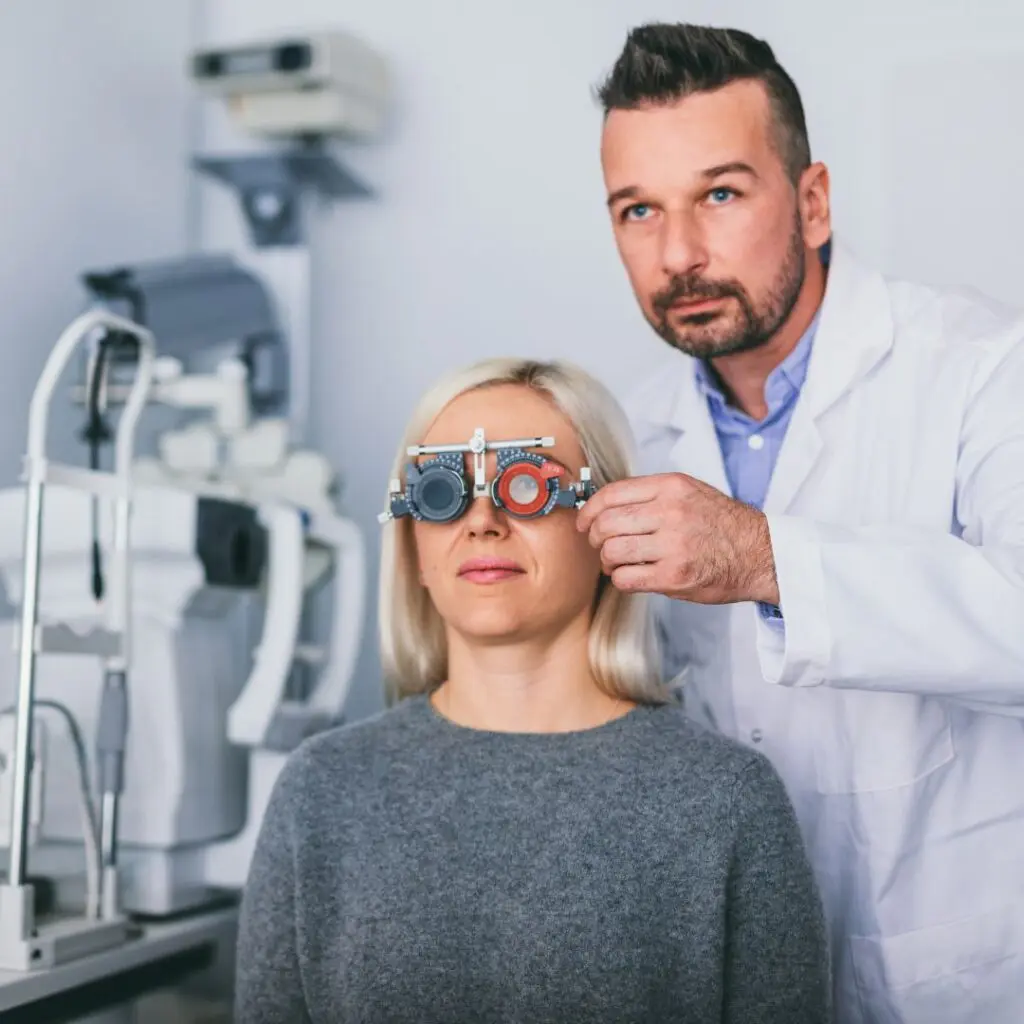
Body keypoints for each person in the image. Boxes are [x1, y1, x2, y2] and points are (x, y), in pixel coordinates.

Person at [582, 21, 1024, 1024]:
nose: (679, 252)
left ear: (812, 201)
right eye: (637, 210)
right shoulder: (629, 432)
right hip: (733, 972)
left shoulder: (984, 366)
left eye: (720, 194)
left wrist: (760, 556)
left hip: (961, 971)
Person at [233, 357, 831, 1023]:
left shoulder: (724, 800)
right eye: (442, 489)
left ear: (610, 529)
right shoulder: (324, 788)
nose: (482, 521)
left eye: (527, 486)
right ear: (413, 545)